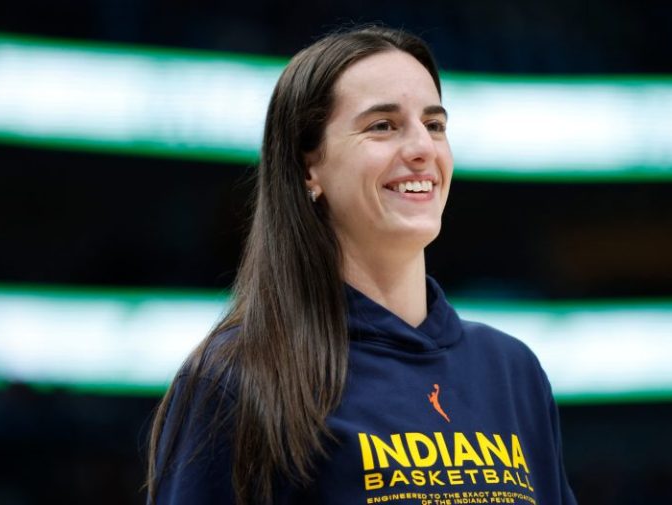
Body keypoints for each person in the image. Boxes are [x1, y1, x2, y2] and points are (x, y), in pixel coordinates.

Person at [146, 25, 577, 505]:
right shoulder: (236, 380)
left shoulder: (512, 372)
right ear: (308, 167)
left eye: (434, 125)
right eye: (383, 126)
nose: (422, 148)